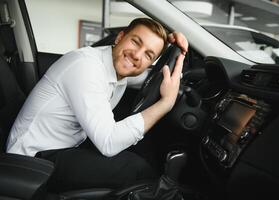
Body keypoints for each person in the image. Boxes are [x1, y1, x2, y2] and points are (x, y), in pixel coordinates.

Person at [6, 18, 188, 191]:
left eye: (149, 54)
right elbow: (108, 143)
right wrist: (166, 104)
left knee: (141, 146)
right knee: (137, 169)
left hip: (62, 147)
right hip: (31, 160)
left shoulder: (117, 67)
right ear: (120, 37)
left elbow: (152, 79)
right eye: (135, 42)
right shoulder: (86, 67)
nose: (137, 55)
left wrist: (175, 48)